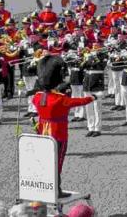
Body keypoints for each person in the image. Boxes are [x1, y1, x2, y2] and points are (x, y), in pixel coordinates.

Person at [30, 56, 95, 187]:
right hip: (58, 133)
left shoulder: (38, 97)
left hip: (43, 131)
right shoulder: (60, 99)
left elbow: (35, 99)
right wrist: (92, 98)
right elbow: (79, 101)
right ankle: (56, 189)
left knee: (45, 160)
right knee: (57, 162)